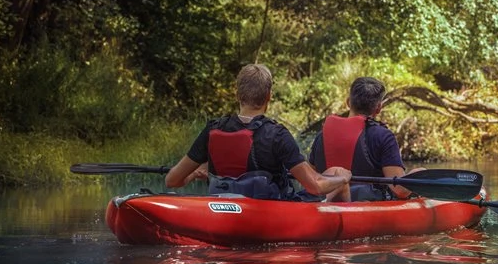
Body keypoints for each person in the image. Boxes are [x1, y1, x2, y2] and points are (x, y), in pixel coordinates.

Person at [165, 64, 352, 200]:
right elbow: (315, 186)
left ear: (237, 94)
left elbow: (172, 180)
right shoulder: (277, 135)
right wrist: (343, 179)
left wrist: (192, 175)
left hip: (225, 206)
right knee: (336, 173)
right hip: (272, 213)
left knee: (335, 173)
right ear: (269, 96)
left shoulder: (213, 129)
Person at [309, 76, 421, 201]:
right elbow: (400, 190)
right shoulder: (383, 137)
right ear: (378, 108)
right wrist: (419, 173)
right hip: (365, 206)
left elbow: (311, 180)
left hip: (323, 204)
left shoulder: (321, 136)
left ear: (348, 102)